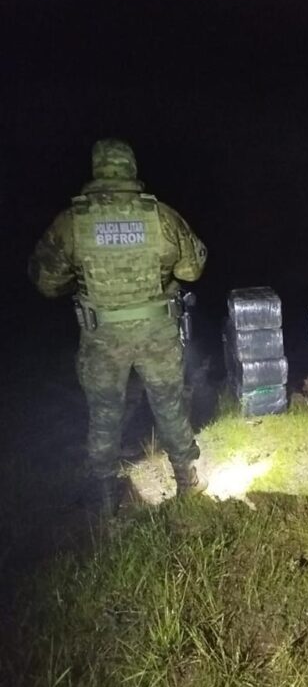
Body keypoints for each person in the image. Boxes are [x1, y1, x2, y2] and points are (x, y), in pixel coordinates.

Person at [29, 138, 207, 510]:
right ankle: (186, 481)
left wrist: (82, 281)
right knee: (170, 403)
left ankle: (106, 494)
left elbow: (46, 281)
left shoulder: (73, 221)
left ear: (97, 169)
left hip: (102, 337)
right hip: (157, 332)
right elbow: (192, 269)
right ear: (131, 168)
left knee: (105, 410)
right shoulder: (159, 216)